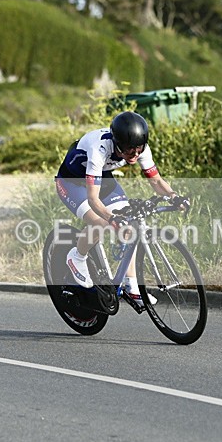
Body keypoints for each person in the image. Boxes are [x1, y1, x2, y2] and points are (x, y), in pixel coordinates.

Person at [55, 111, 189, 305]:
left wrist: (174, 197)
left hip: (101, 178)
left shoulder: (139, 148)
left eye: (138, 149)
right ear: (117, 144)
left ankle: (132, 285)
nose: (134, 155)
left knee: (129, 225)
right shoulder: (98, 149)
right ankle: (77, 256)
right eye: (128, 151)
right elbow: (93, 200)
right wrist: (111, 218)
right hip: (72, 182)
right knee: (100, 223)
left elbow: (156, 180)